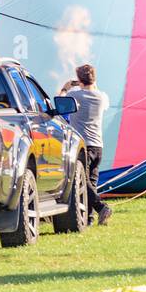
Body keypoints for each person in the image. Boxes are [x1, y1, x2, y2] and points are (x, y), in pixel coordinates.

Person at [58, 64, 113, 226]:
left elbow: (60, 105)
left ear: (79, 80)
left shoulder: (75, 94)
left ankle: (101, 207)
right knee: (91, 182)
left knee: (81, 180)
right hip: (98, 145)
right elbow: (96, 92)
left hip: (82, 146)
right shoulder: (102, 97)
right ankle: (89, 219)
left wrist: (65, 87)